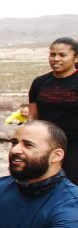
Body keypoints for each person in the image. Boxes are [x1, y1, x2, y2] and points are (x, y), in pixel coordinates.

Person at [28, 37, 78, 183]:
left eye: (62, 55)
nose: (56, 59)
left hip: (74, 145)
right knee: (40, 184)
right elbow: (32, 118)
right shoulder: (40, 82)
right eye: (52, 54)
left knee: (72, 186)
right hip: (46, 143)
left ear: (75, 57)